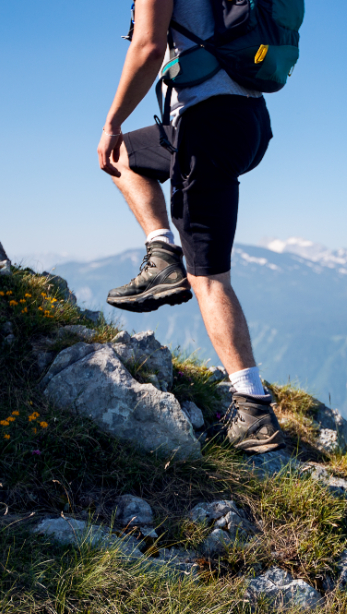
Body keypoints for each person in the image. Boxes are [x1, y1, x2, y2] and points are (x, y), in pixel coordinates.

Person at [97, 0, 283, 454]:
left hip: (207, 122)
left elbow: (147, 45)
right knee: (129, 157)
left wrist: (112, 123)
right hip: (247, 119)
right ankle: (162, 255)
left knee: (208, 277)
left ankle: (253, 409)